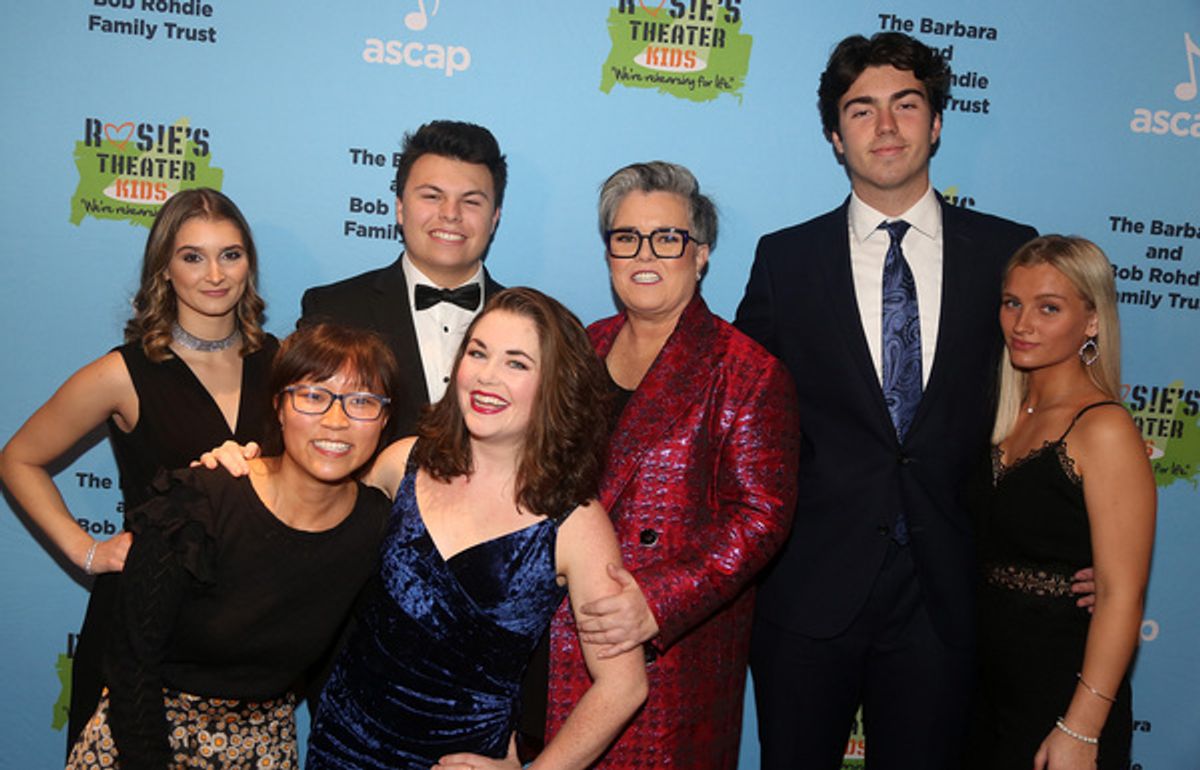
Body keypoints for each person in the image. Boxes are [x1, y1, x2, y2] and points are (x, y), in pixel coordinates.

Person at [734, 32, 1045, 768]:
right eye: (861, 109)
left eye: (905, 105)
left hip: (949, 590)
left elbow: (1049, 407)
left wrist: (1071, 548)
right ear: (835, 137)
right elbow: (741, 414)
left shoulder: (1008, 252)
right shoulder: (786, 259)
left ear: (935, 123)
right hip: (809, 590)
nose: (885, 126)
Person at [206, 288, 646, 769]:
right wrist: (246, 470)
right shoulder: (402, 463)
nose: (487, 375)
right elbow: (304, 519)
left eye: (516, 363)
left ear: (556, 385)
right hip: (342, 744)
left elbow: (623, 684)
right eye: (477, 353)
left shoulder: (575, 523)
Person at [0, 188, 279, 754]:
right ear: (164, 270)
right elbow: (18, 459)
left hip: (244, 630)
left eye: (230, 254)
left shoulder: (281, 362)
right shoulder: (123, 374)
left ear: (249, 264)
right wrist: (86, 551)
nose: (215, 274)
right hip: (143, 629)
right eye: (192, 256)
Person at [545, 161, 800, 768]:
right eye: (626, 237)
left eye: (667, 238)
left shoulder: (748, 371)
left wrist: (657, 601)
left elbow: (761, 517)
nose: (644, 254)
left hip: (669, 656)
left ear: (701, 254)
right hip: (555, 639)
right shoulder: (581, 347)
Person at [64, 323, 399, 768]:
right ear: (279, 406)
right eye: (313, 395)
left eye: (362, 401)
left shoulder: (376, 528)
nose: (336, 420)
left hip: (263, 748)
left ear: (385, 419)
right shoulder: (197, 503)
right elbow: (131, 666)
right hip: (143, 739)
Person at [967, 236, 1154, 769]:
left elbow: (1120, 595)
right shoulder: (997, 415)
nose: (1022, 324)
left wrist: (1082, 729)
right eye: (1012, 303)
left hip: (1059, 690)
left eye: (1049, 308)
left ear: (1092, 321)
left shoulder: (1103, 428)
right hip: (977, 687)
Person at [300, 120, 507, 439]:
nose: (451, 214)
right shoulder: (333, 310)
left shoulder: (534, 328)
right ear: (399, 208)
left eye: (471, 201)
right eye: (432, 196)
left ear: (494, 218)